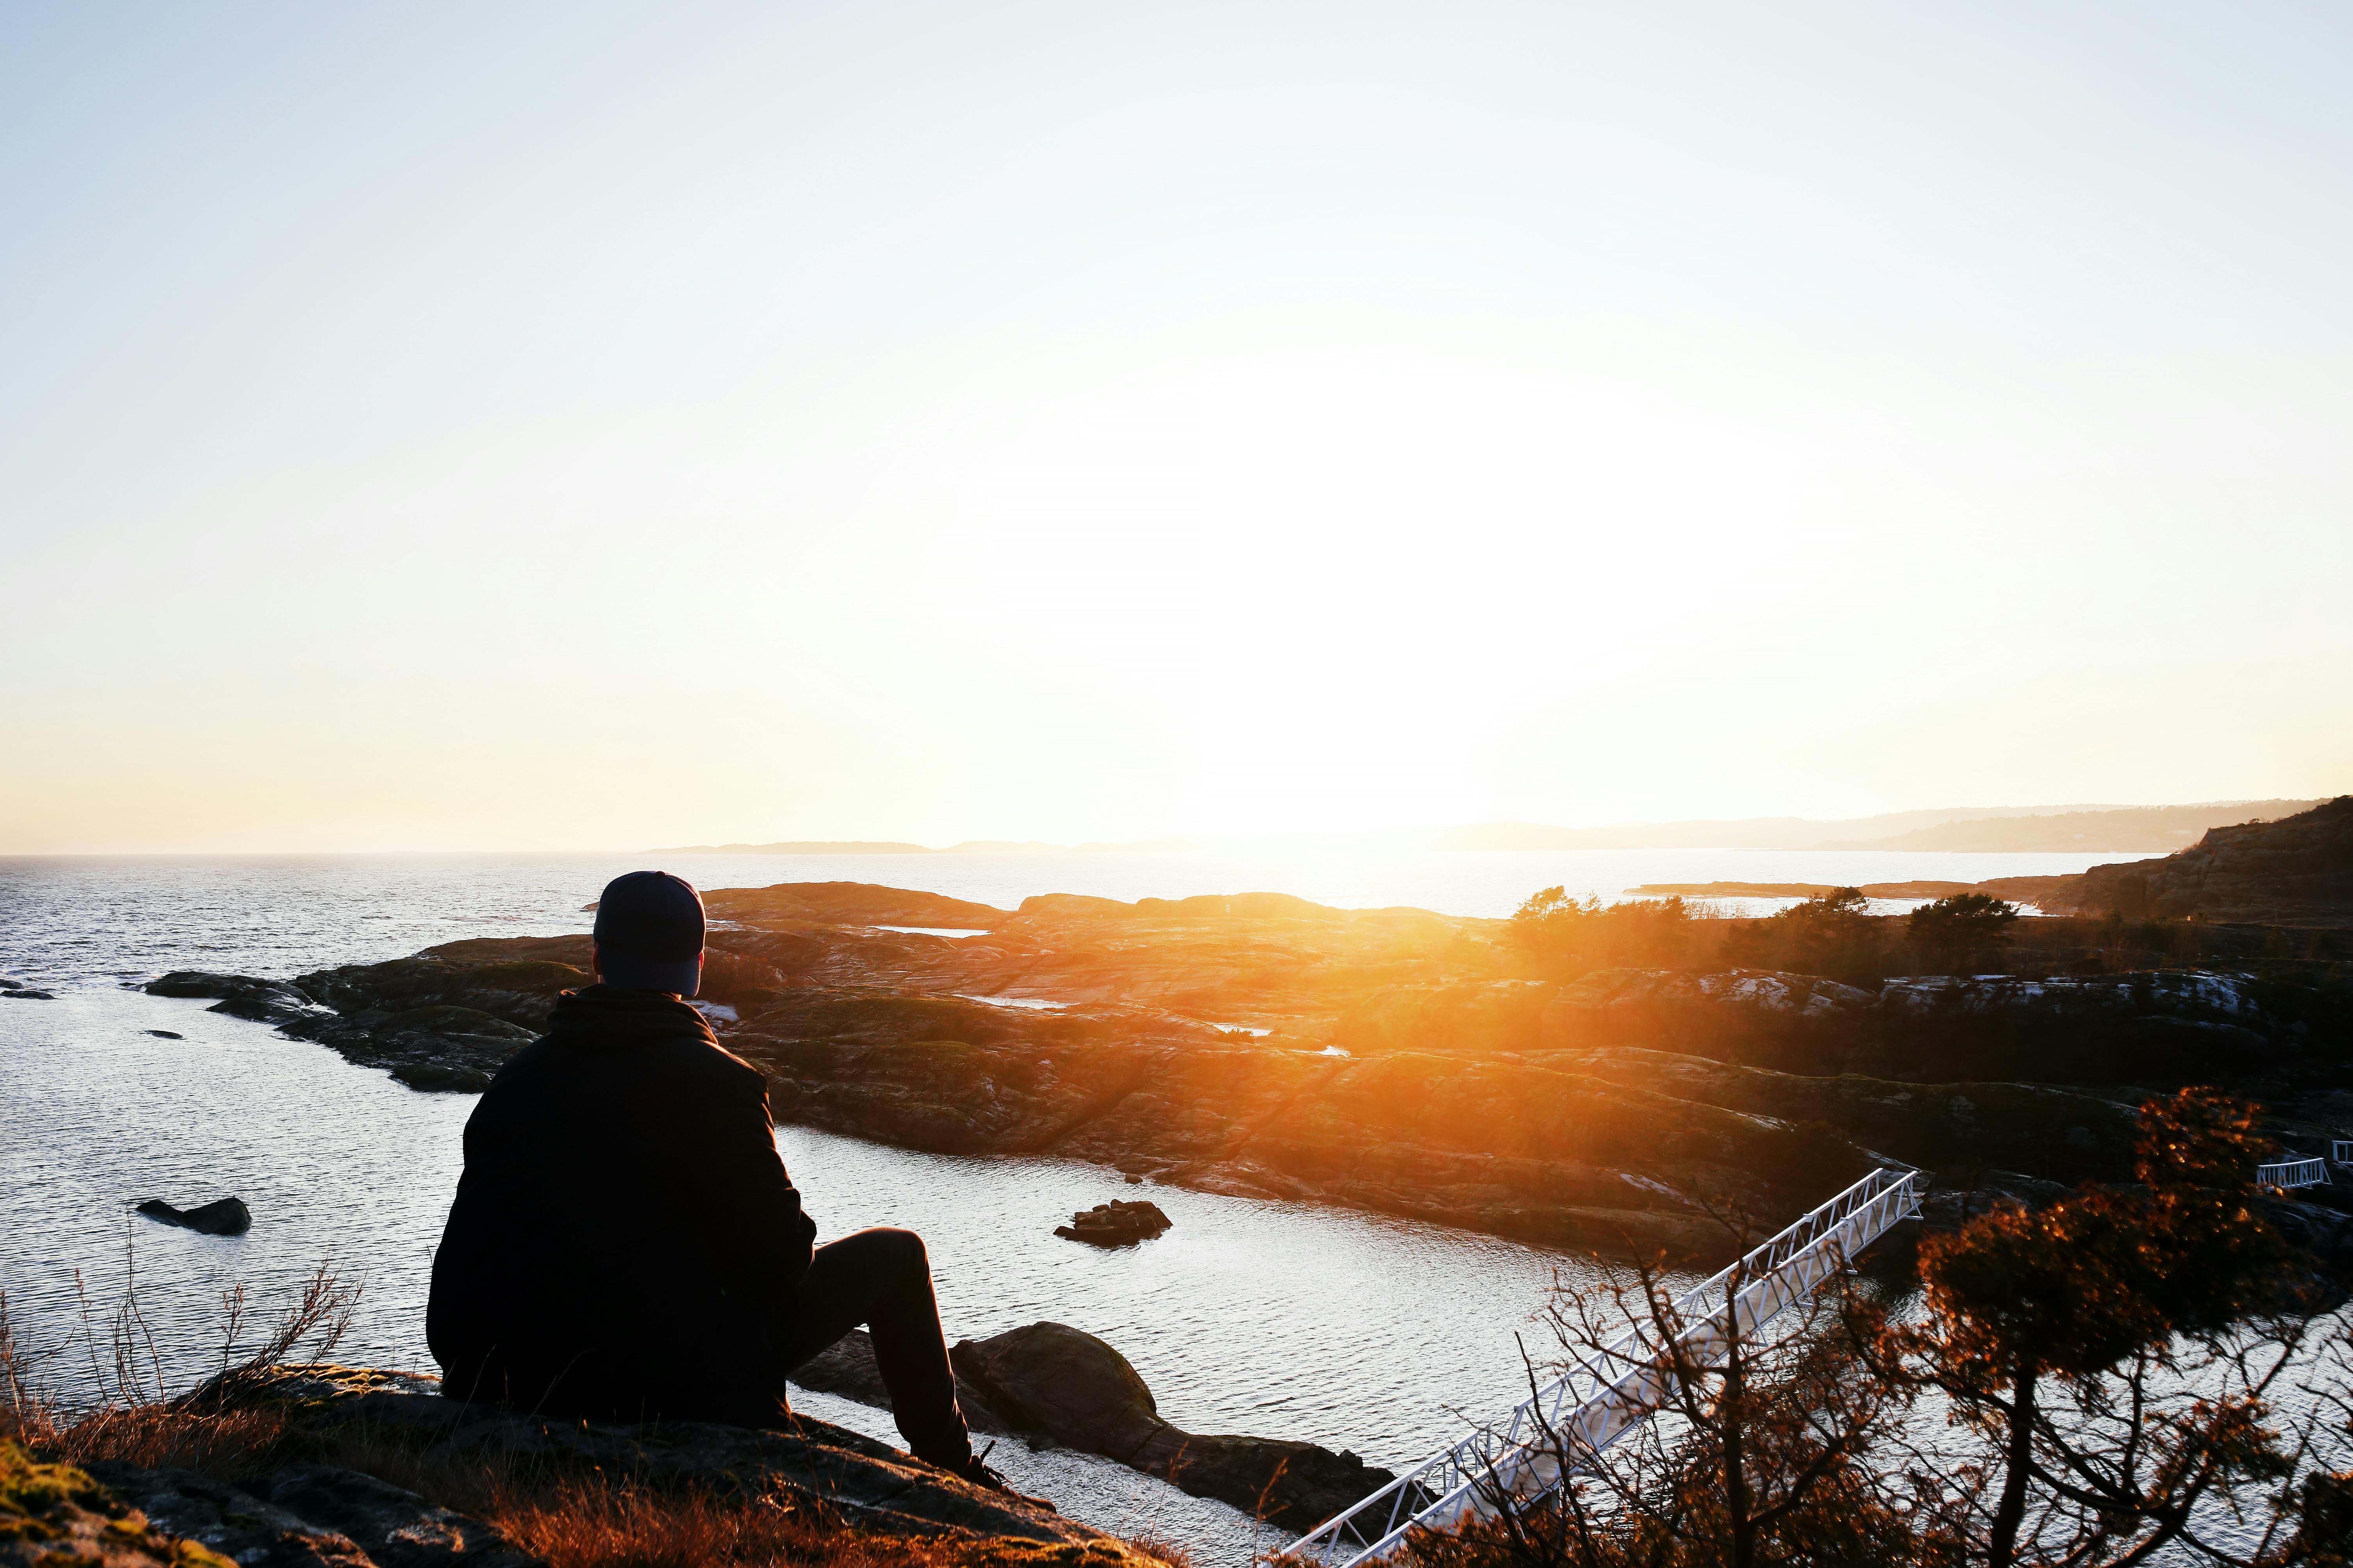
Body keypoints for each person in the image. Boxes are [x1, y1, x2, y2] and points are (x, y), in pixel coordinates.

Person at [426, 870, 1014, 1493]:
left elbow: (463, 1272)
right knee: (898, 1256)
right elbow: (781, 1263)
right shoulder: (720, 1083)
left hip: (507, 1381)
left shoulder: (517, 1079)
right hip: (670, 1386)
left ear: (596, 957)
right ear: (697, 966)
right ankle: (954, 1474)